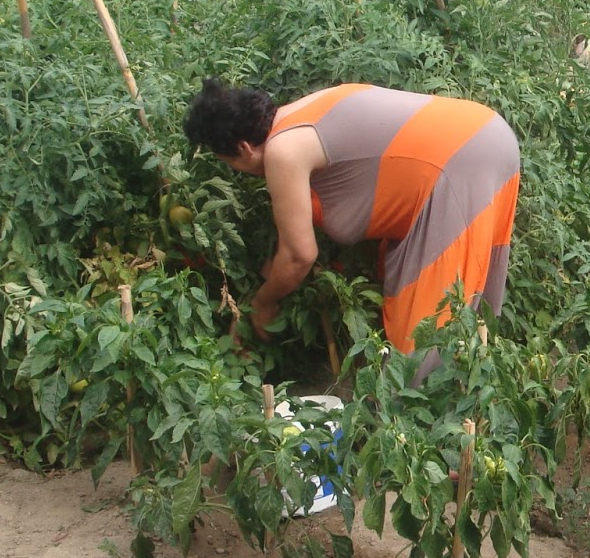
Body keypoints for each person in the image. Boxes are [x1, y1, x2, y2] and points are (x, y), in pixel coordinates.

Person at [183, 79, 520, 356]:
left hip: (461, 164)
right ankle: (468, 417)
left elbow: (299, 255)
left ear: (243, 148)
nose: (239, 172)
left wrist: (262, 303)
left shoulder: (282, 151)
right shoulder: (298, 117)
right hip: (484, 136)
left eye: (231, 164)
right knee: (466, 322)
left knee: (424, 343)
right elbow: (289, 244)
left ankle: (434, 431)